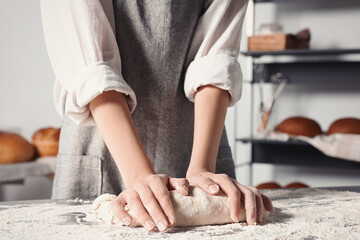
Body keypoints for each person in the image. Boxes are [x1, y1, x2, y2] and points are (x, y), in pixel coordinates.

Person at [40, 0, 274, 232]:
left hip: (200, 143)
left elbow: (216, 57)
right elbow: (91, 67)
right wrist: (138, 174)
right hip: (99, 141)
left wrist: (203, 167)